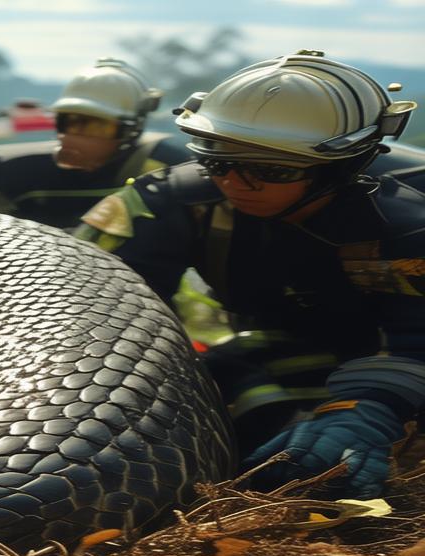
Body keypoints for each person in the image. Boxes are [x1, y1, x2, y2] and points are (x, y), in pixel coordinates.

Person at [73, 50, 424, 499]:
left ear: (343, 164)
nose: (236, 182)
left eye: (272, 169)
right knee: (226, 378)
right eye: (219, 159)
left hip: (386, 359)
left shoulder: (406, 222)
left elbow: (415, 337)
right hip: (271, 348)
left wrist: (368, 409)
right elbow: (83, 310)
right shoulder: (163, 204)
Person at [0, 58, 190, 229]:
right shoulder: (0, 170)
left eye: (98, 126)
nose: (76, 136)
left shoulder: (168, 171)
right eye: (69, 122)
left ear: (131, 129)